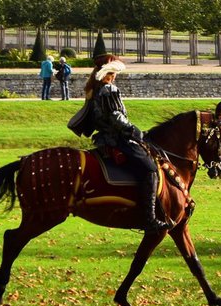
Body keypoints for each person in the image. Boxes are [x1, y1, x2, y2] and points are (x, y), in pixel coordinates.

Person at [69, 55, 171, 233]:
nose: (114, 76)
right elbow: (116, 117)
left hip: (104, 139)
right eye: (112, 72)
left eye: (115, 73)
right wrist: (135, 131)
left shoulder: (94, 89)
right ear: (105, 72)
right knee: (150, 169)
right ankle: (149, 219)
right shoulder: (109, 89)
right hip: (118, 139)